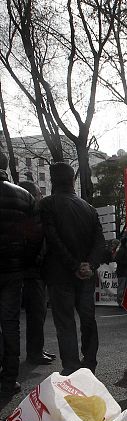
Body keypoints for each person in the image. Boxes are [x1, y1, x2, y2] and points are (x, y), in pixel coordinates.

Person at [39, 163, 105, 376]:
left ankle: (71, 366)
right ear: (72, 180)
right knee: (88, 319)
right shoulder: (89, 208)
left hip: (60, 274)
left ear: (52, 180)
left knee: (65, 322)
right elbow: (100, 242)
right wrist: (89, 265)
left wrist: (73, 265)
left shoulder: (47, 204)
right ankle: (90, 361)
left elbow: (53, 239)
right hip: (86, 274)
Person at [0, 152, 37, 396]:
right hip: (13, 269)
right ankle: (9, 378)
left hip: (13, 267)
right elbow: (35, 235)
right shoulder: (24, 196)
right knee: (11, 322)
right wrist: (25, 261)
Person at [17, 179, 56, 366]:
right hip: (33, 271)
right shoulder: (31, 215)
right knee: (36, 313)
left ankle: (36, 349)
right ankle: (35, 352)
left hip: (30, 271)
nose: (41, 197)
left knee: (36, 314)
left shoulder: (22, 214)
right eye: (39, 194)